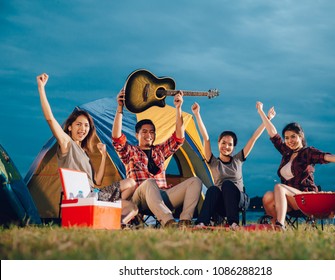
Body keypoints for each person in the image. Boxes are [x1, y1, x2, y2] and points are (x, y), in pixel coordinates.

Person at [36, 73, 137, 224]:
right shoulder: (66, 144)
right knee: (132, 207)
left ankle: (110, 214)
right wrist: (41, 88)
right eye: (78, 124)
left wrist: (103, 156)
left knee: (131, 185)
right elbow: (50, 119)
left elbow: (97, 180)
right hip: (83, 198)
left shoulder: (84, 152)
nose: (83, 128)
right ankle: (114, 221)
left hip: (95, 194)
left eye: (86, 125)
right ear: (69, 127)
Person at [257, 102, 335, 230]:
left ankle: (280, 225)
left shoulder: (307, 152)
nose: (289, 141)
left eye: (293, 137)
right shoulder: (286, 153)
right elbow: (273, 134)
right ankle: (275, 228)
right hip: (290, 200)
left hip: (306, 199)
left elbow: (327, 157)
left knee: (279, 187)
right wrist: (261, 112)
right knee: (267, 196)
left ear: (301, 136)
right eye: (286, 138)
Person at [112, 89, 202, 228]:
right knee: (149, 182)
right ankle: (168, 222)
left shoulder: (159, 151)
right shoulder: (131, 152)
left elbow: (179, 138)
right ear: (137, 135)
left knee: (195, 181)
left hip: (161, 196)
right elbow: (117, 139)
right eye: (144, 132)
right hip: (140, 198)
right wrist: (119, 108)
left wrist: (178, 108)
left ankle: (185, 222)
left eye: (152, 132)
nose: (149, 135)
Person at [191, 102, 276, 229]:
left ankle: (233, 223)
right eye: (223, 143)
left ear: (233, 147)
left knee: (227, 185)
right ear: (219, 143)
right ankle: (202, 222)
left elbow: (253, 138)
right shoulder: (213, 162)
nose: (226, 146)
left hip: (239, 200)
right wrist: (197, 114)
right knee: (213, 189)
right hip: (221, 203)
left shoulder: (238, 159)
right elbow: (206, 138)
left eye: (230, 144)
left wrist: (266, 118)